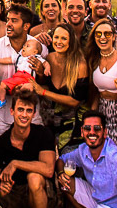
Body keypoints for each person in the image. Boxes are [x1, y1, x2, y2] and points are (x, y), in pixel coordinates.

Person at [0, 4, 47, 136]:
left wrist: (40, 72)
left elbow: (45, 80)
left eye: (14, 21)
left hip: (31, 113)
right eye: (8, 20)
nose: (8, 24)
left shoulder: (39, 47)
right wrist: (11, 90)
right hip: (3, 115)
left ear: (26, 26)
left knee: (32, 151)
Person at [32, 22, 88, 151]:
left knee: (67, 158)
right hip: (48, 117)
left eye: (64, 38)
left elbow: (74, 101)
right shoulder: (49, 58)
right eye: (56, 37)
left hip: (70, 121)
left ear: (71, 41)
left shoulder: (80, 65)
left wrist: (43, 92)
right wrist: (40, 73)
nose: (59, 42)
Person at [88, 18, 117, 157]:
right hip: (102, 113)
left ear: (114, 36)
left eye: (107, 34)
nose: (102, 38)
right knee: (101, 154)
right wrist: (92, 116)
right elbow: (95, 92)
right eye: (98, 34)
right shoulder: (93, 59)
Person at [0, 38, 43, 108]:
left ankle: (27, 104)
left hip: (28, 79)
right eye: (24, 46)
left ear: (35, 52)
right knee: (2, 84)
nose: (24, 47)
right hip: (17, 77)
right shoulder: (19, 56)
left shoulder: (37, 58)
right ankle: (2, 100)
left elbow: (44, 63)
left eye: (27, 46)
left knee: (29, 88)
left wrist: (47, 68)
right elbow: (10, 59)